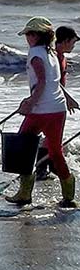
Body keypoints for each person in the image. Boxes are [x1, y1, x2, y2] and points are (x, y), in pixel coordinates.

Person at [5, 17, 77, 207]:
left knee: (23, 148)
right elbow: (55, 82)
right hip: (57, 109)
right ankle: (69, 195)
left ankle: (24, 194)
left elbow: (42, 82)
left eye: (30, 34)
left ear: (38, 35)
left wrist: (30, 103)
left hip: (41, 110)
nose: (27, 38)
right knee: (55, 152)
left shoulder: (36, 53)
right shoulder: (52, 53)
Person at [35, 26, 80, 180]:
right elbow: (52, 82)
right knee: (52, 137)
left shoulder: (62, 57)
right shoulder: (53, 56)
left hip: (57, 101)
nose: (74, 46)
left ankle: (47, 166)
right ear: (65, 41)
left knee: (52, 137)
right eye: (72, 43)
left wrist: (65, 99)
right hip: (51, 102)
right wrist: (67, 98)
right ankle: (43, 167)